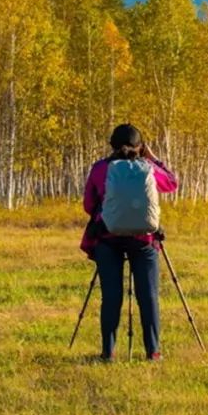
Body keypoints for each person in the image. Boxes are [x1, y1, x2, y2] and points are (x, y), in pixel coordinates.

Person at [80, 123, 178, 361]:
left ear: (112, 145)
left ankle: (108, 353)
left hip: (108, 238)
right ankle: (153, 352)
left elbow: (88, 205)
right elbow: (172, 183)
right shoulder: (148, 168)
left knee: (111, 297)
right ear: (140, 146)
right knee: (149, 296)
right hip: (144, 239)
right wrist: (153, 158)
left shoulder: (100, 169)